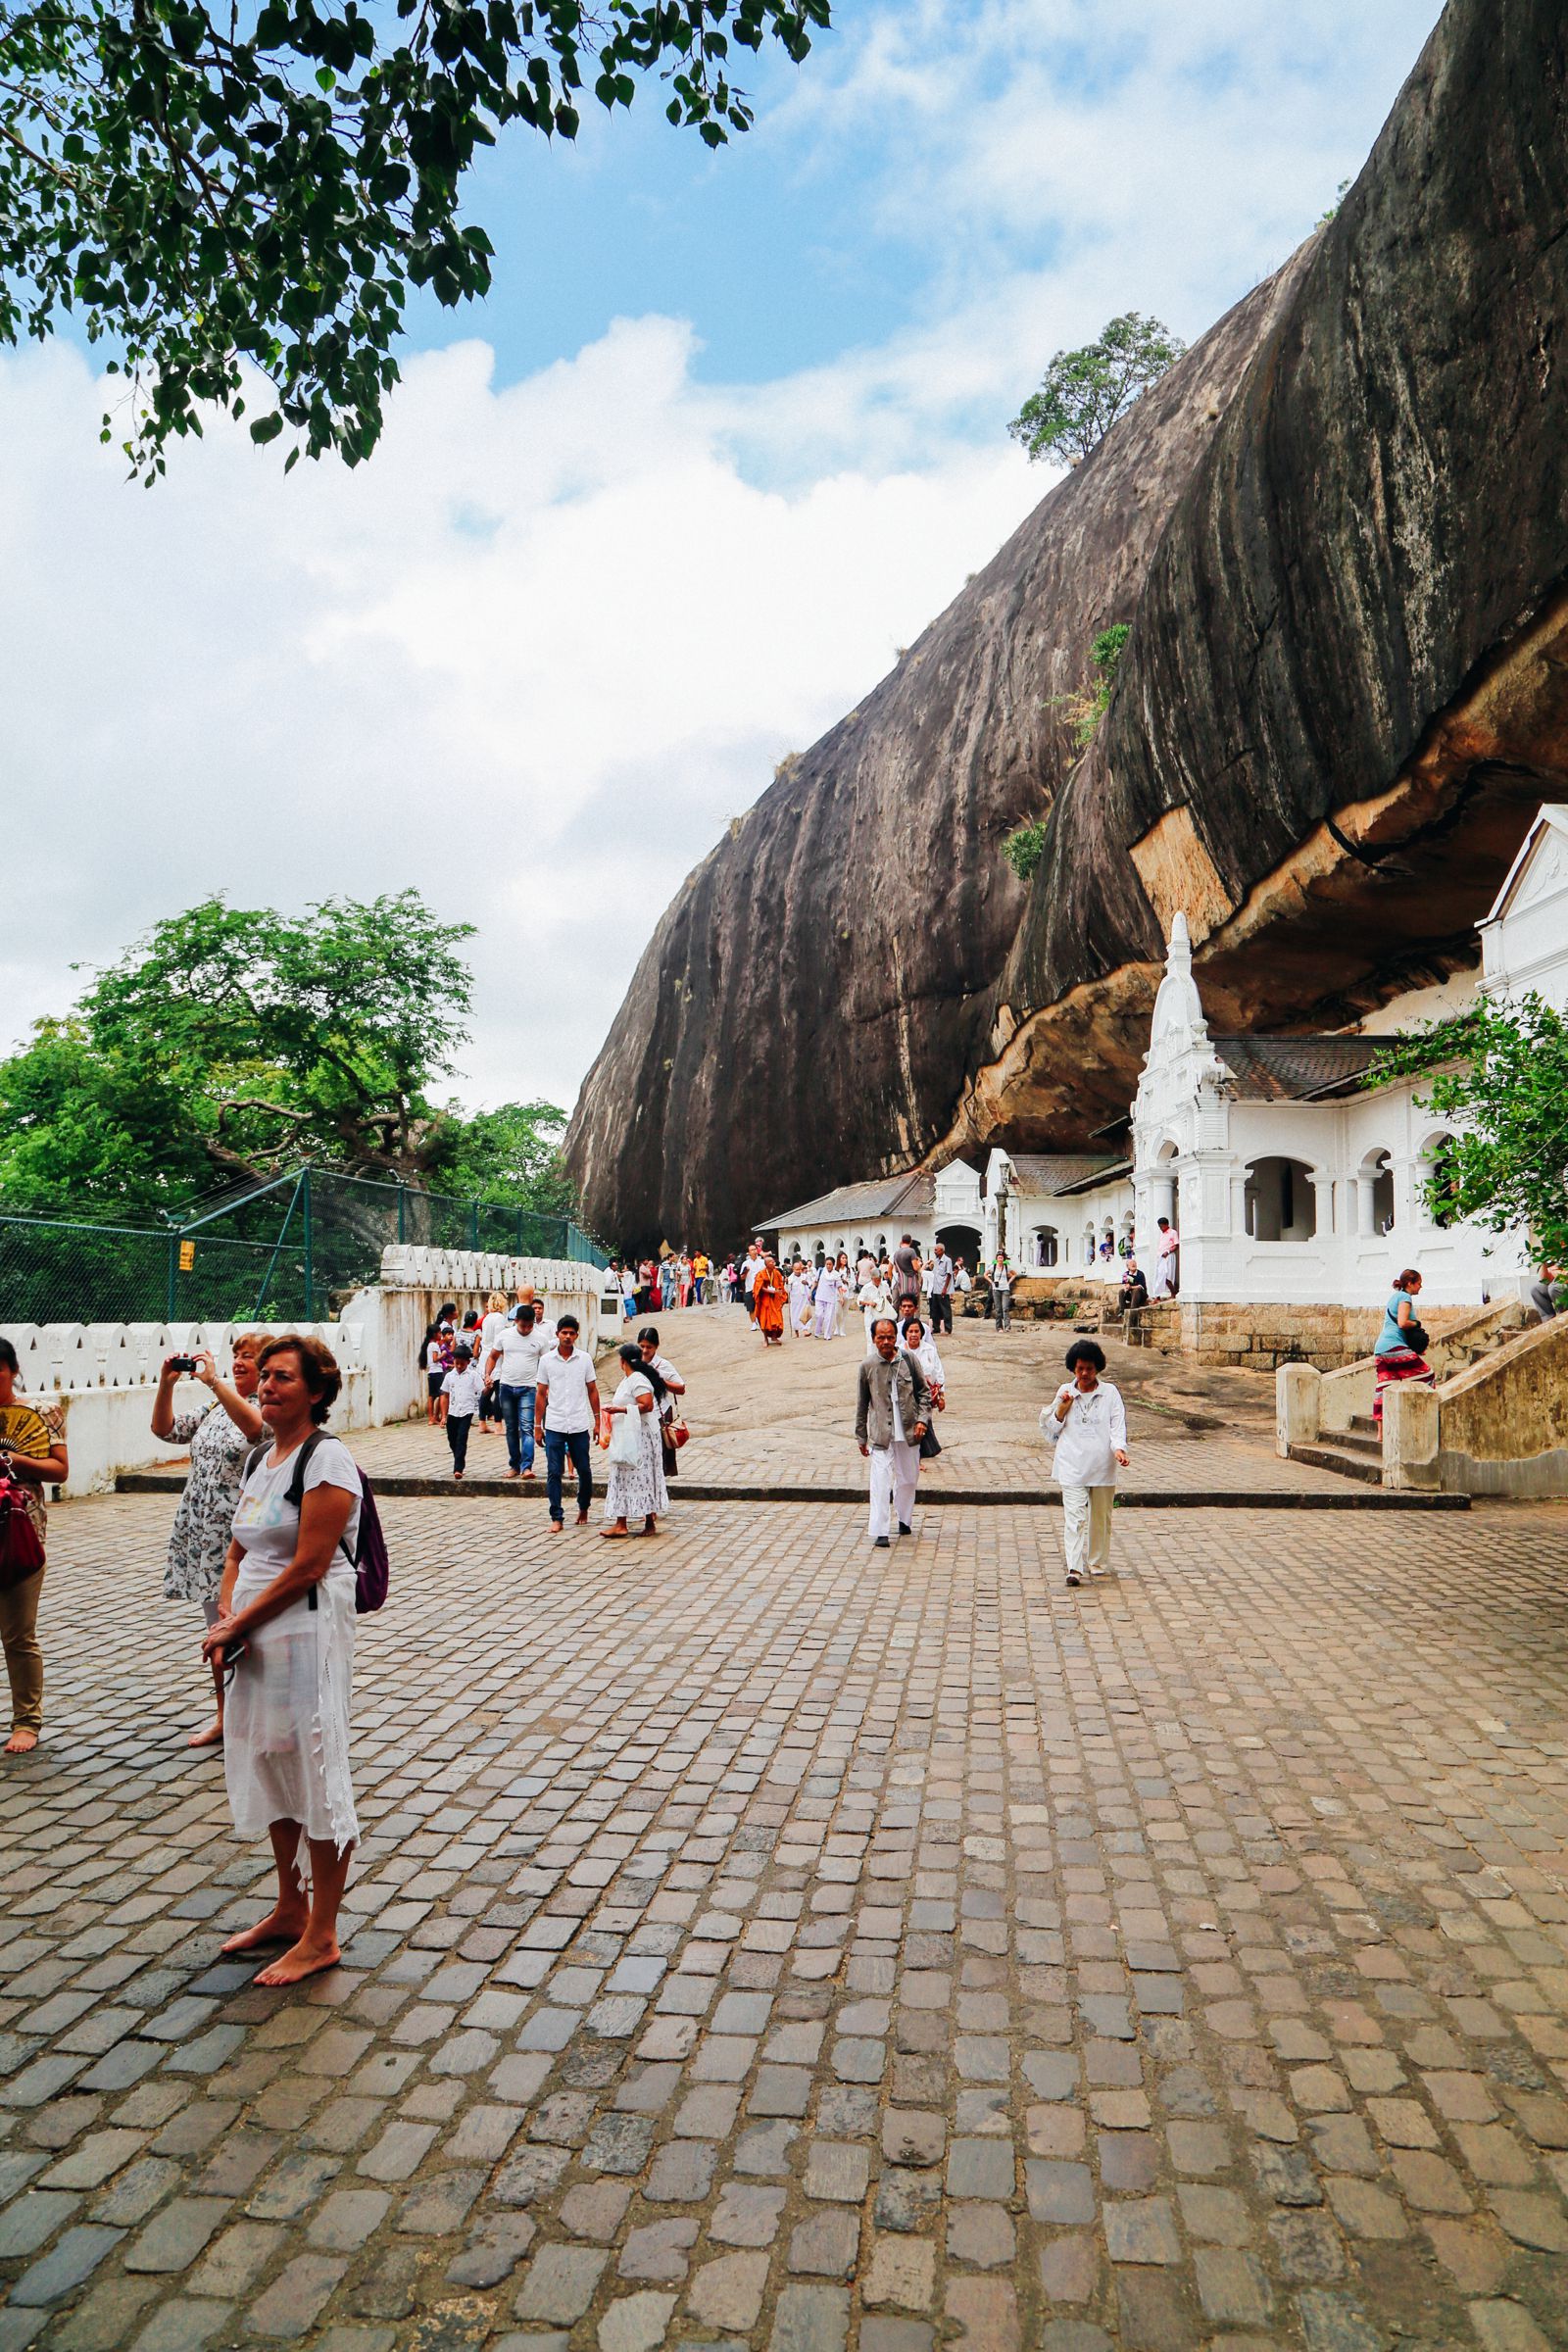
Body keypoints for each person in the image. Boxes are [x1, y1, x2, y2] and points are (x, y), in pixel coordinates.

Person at [202, 1334, 361, 1985]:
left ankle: (322, 1933)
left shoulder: (327, 1462)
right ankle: (290, 1908)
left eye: (283, 1378)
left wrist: (238, 1620)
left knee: (315, 1767)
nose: (266, 1387)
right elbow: (239, 1548)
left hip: (306, 1632)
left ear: (316, 1392)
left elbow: (309, 1567)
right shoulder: (261, 1458)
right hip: (257, 1634)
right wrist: (227, 1613)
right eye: (263, 1377)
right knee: (271, 1760)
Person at [152, 1334, 267, 1747]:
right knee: (216, 1628)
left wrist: (215, 1382)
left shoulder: (266, 1406)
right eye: (235, 1355)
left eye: (247, 1357)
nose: (238, 1362)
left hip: (242, 1538)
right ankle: (224, 1717)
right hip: (203, 1533)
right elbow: (165, 1430)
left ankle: (257, 1718)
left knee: (248, 1628)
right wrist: (166, 1383)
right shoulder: (215, 1406)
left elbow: (255, 1431)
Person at [0, 1336, 70, 1756]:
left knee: (17, 1632)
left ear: (13, 1370)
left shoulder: (41, 1411)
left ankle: (27, 1720)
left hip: (20, 1532)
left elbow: (59, 1470)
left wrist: (14, 1462)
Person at [1042, 1338, 1129, 1588]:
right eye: (1080, 1369)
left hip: (1102, 1465)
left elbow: (1117, 1426)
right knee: (1075, 1518)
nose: (1084, 1374)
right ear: (1073, 1368)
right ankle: (1074, 1567)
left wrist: (1119, 1450)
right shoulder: (1064, 1391)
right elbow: (1050, 1430)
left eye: (1089, 1369)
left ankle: (1097, 1562)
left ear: (1097, 1368)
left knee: (1101, 1518)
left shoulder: (1110, 1393)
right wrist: (1062, 1409)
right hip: (1072, 1465)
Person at [856, 1316, 931, 1547]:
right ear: (873, 1339)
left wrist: (922, 1420)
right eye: (881, 1338)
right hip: (881, 1434)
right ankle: (880, 1531)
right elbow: (862, 1403)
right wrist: (861, 1435)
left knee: (908, 1479)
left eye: (890, 1337)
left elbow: (924, 1394)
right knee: (880, 1482)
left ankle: (905, 1519)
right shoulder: (867, 1367)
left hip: (909, 1431)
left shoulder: (909, 1360)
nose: (886, 1341)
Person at [535, 1315, 602, 1530]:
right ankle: (556, 1516)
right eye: (564, 1333)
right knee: (554, 1471)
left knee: (584, 1469)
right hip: (554, 1423)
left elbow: (592, 1390)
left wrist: (598, 1420)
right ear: (557, 1334)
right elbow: (541, 1393)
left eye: (572, 1333)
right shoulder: (546, 1361)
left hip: (578, 1423)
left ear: (576, 1336)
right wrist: (537, 1425)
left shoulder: (584, 1360)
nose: (567, 1337)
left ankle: (584, 1506)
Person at [600, 1342, 669, 1538]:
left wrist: (620, 1410)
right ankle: (621, 1522)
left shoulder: (638, 1379)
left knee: (641, 1476)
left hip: (640, 1438)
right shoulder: (629, 1379)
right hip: (627, 1434)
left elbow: (646, 1405)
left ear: (622, 1361)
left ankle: (645, 1521)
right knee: (623, 1475)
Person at [486, 1301, 548, 1481]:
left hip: (529, 1388)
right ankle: (514, 1464)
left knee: (526, 1428)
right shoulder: (504, 1336)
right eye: (523, 1325)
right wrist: (487, 1374)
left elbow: (546, 1364)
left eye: (530, 1326)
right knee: (511, 1428)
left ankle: (526, 1466)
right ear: (516, 1321)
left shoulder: (540, 1339)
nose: (526, 1329)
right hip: (506, 1387)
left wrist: (547, 1387)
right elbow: (493, 1356)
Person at [1374, 1268, 1435, 1425]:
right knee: (1427, 1375)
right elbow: (1402, 1322)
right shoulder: (1405, 1296)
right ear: (1410, 1283)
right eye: (1419, 1283)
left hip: (1381, 1348)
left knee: (1385, 1387)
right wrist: (1417, 1323)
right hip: (1394, 1346)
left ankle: (1381, 1433)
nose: (1421, 1287)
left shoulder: (1395, 1297)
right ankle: (1426, 1416)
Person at [638, 1325, 687, 1479]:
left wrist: (661, 1381)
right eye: (642, 1346)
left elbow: (681, 1388)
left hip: (660, 1416)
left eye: (649, 1347)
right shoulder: (634, 1363)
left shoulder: (663, 1366)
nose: (645, 1350)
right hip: (640, 1415)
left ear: (656, 1347)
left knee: (662, 1456)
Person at [441, 1342, 483, 1477]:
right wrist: (443, 1416)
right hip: (452, 1411)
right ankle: (458, 1456)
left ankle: (458, 1468)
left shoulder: (473, 1375)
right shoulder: (449, 1376)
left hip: (467, 1411)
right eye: (457, 1363)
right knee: (452, 1438)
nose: (459, 1366)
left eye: (462, 1364)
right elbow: (445, 1396)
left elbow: (482, 1390)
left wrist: (488, 1387)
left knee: (461, 1438)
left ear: (467, 1362)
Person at [418, 1303, 457, 1425]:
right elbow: (436, 1357)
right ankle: (439, 1416)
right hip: (439, 1369)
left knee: (432, 1395)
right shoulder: (437, 1342)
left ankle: (433, 1417)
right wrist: (444, 1354)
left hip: (435, 1370)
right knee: (442, 1393)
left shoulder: (432, 1344)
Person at [478, 1294, 509, 1429]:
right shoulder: (500, 1318)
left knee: (486, 1390)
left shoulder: (486, 1318)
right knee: (498, 1392)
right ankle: (498, 1425)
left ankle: (482, 1422)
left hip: (485, 1355)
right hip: (495, 1356)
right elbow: (500, 1340)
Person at [753, 1252, 788, 1346]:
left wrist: (781, 1289)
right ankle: (765, 1339)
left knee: (777, 1318)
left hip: (775, 1299)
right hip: (765, 1300)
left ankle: (774, 1336)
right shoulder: (761, 1274)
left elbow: (780, 1284)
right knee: (765, 1319)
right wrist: (771, 1291)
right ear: (767, 1264)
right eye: (771, 1262)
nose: (774, 1263)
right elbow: (759, 1287)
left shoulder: (777, 1273)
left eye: (773, 1261)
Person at [926, 1240, 955, 1336]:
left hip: (943, 1288)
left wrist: (945, 1289)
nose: (934, 1251)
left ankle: (948, 1328)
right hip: (935, 1288)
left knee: (945, 1309)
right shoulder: (935, 1261)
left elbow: (949, 1274)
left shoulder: (947, 1260)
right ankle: (936, 1327)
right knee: (935, 1309)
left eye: (936, 1250)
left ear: (942, 1250)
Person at [813, 1253, 843, 1341]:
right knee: (819, 1315)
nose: (828, 1266)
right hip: (819, 1297)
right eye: (827, 1264)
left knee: (829, 1317)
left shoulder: (836, 1274)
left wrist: (841, 1297)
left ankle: (827, 1335)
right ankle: (817, 1331)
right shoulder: (821, 1271)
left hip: (830, 1298)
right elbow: (815, 1282)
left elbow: (839, 1287)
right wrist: (810, 1291)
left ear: (833, 1265)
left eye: (830, 1264)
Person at [1151, 1216, 1180, 1299]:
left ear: (1166, 1224)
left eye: (1162, 1226)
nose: (1161, 1228)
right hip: (1161, 1257)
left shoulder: (1173, 1232)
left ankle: (1173, 1293)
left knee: (1167, 1276)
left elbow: (1176, 1245)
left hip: (1169, 1256)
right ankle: (1157, 1297)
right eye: (1159, 1227)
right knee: (1159, 1276)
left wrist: (1168, 1252)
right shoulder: (1162, 1234)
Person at [789, 1258, 816, 1339]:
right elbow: (787, 1290)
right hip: (795, 1301)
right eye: (796, 1269)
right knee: (795, 1316)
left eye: (799, 1269)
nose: (798, 1271)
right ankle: (796, 1331)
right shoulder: (790, 1278)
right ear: (793, 1269)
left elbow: (811, 1284)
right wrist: (787, 1282)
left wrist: (806, 1282)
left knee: (805, 1314)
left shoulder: (805, 1276)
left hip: (804, 1299)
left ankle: (805, 1330)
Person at [893, 1235, 920, 1312]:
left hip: (901, 1281)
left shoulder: (896, 1253)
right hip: (911, 1281)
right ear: (910, 1241)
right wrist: (919, 1265)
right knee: (912, 1302)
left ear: (901, 1241)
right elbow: (915, 1267)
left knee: (903, 1302)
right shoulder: (911, 1251)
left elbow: (896, 1269)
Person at [742, 1240, 763, 1319]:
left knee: (761, 1306)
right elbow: (742, 1277)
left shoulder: (762, 1262)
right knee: (751, 1307)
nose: (754, 1251)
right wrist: (746, 1271)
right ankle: (753, 1323)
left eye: (755, 1249)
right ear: (749, 1252)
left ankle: (760, 1320)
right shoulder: (745, 1263)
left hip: (760, 1288)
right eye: (752, 1250)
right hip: (749, 1288)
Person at [991, 1254, 1012, 1331]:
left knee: (1005, 1308)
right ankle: (999, 1327)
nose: (1000, 1259)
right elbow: (985, 1274)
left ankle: (1007, 1326)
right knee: (998, 1309)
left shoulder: (1006, 1267)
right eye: (999, 1258)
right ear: (996, 1259)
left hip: (1005, 1288)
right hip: (996, 1289)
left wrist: (1008, 1282)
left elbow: (1014, 1274)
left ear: (1003, 1259)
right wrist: (992, 1282)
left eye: (1001, 1258)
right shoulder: (993, 1267)